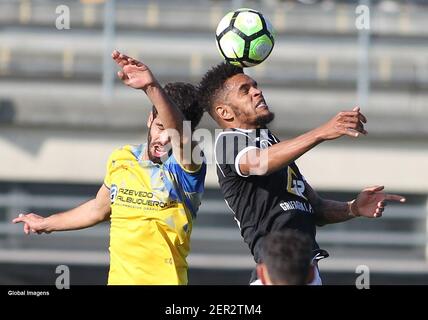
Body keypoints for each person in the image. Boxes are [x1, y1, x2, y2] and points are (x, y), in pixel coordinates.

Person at [198, 62, 406, 285]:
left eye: (255, 86)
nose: (257, 91)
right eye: (245, 90)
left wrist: (353, 208)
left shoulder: (271, 144)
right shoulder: (227, 141)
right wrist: (321, 132)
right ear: (224, 112)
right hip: (276, 274)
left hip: (307, 271)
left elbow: (316, 208)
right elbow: (259, 162)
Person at [12, 51, 206, 285]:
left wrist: (151, 87)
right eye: (159, 127)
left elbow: (179, 135)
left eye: (170, 133)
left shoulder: (187, 167)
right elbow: (98, 209)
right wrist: (46, 223)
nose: (163, 139)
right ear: (149, 119)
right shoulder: (122, 158)